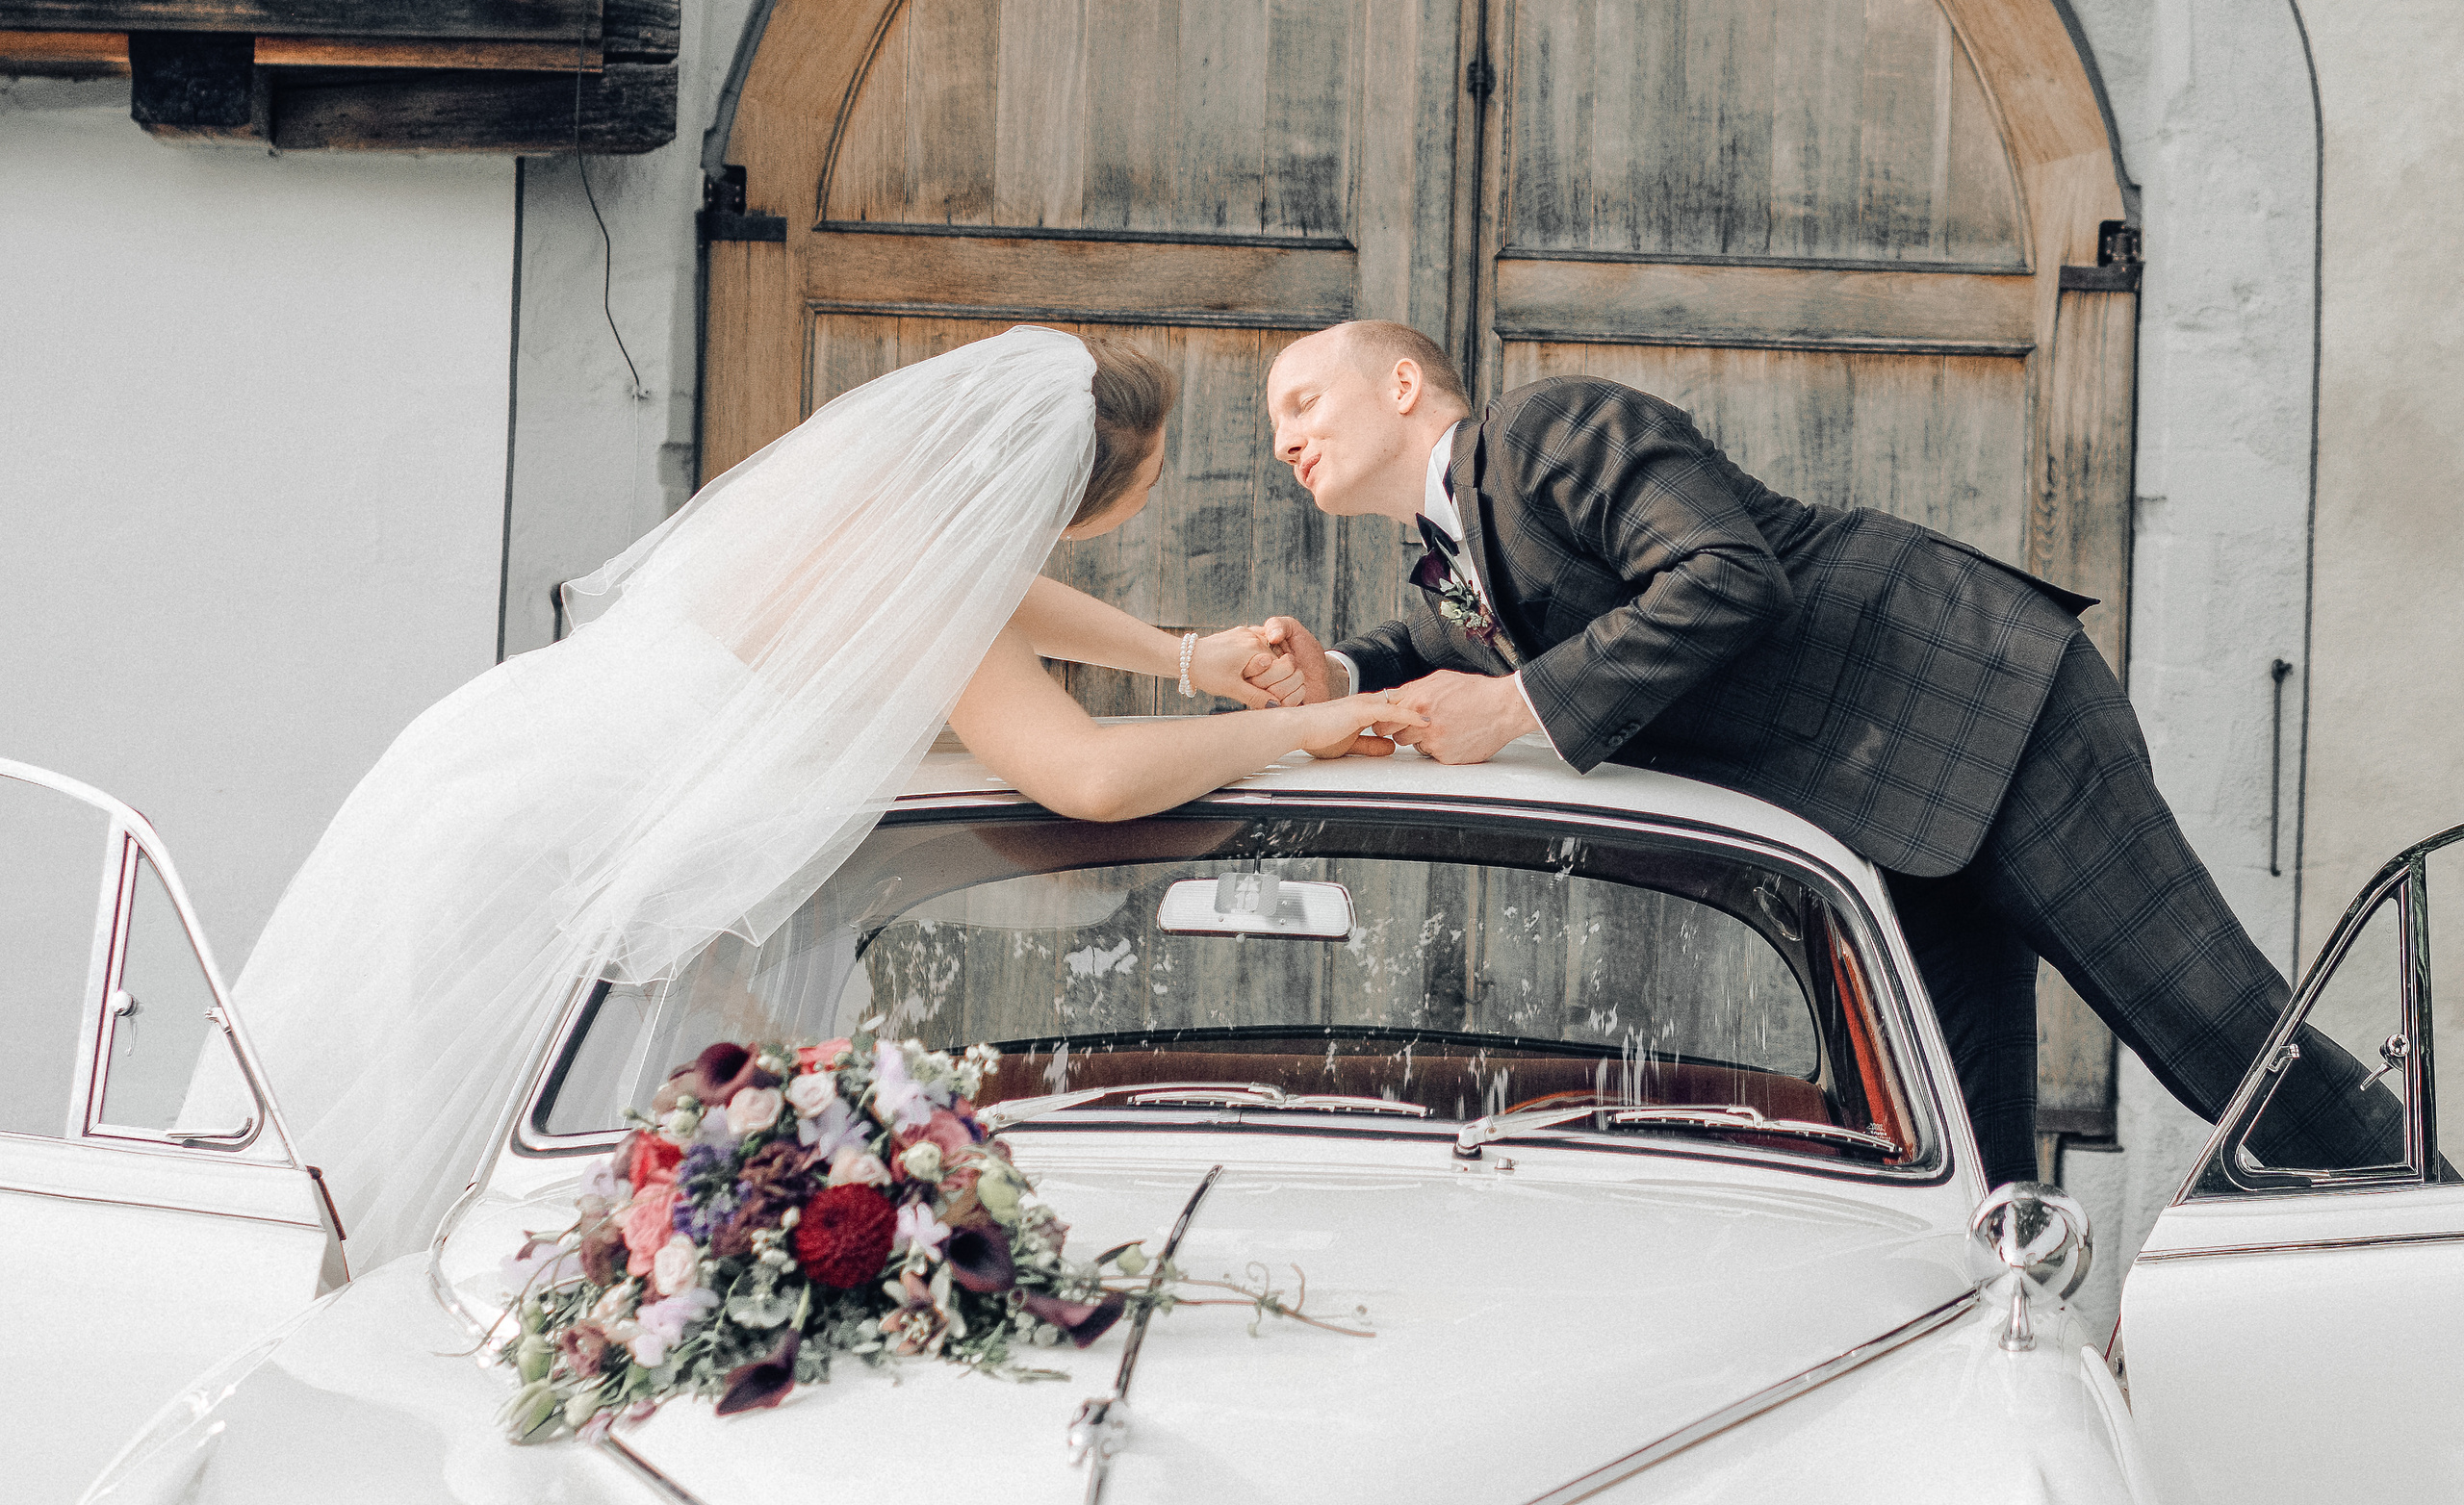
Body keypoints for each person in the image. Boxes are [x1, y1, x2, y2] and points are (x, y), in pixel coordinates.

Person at [206, 326, 1418, 1268]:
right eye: (1141, 482)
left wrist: (1187, 657)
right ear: (1064, 484)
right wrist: (1296, 728)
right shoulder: (921, 568)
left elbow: (993, 589)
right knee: (418, 1155)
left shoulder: (894, 522)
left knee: (389, 1129)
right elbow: (1083, 776)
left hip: (494, 761)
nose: (1143, 502)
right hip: (537, 843)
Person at [1248, 319, 2396, 1186]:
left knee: (2214, 1033)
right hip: (1884, 810)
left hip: (1982, 704)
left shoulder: (1548, 427)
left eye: (1301, 400)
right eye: (1272, 427)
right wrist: (1337, 678)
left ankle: (2419, 1244)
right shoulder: (1450, 552)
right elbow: (1424, 643)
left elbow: (1727, 575)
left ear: (1402, 385)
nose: (1285, 437)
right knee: (1952, 1131)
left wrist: (1508, 710)